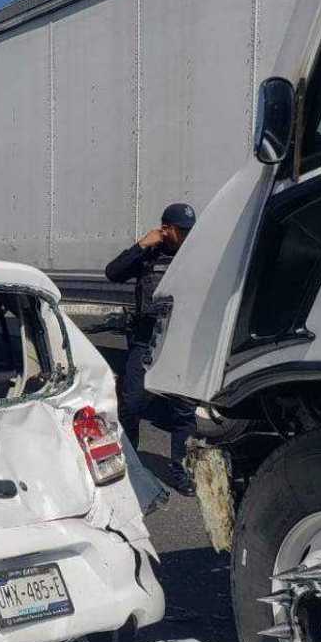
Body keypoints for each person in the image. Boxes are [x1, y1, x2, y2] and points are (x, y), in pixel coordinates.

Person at [105, 203, 197, 496]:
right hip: (145, 338)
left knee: (183, 411)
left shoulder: (197, 254)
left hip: (181, 340)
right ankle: (131, 465)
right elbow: (113, 272)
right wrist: (141, 244)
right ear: (167, 229)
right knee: (132, 405)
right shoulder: (149, 255)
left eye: (188, 231)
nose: (186, 236)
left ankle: (181, 470)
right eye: (181, 231)